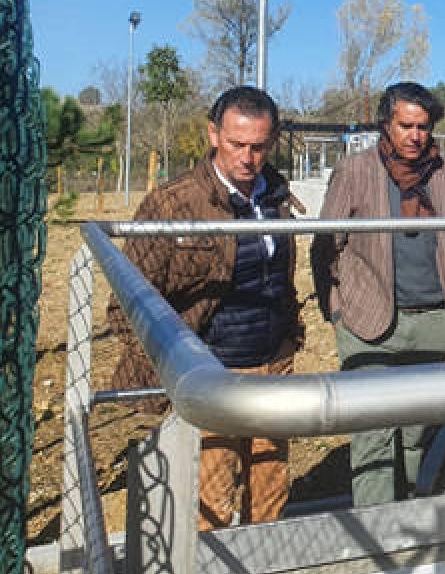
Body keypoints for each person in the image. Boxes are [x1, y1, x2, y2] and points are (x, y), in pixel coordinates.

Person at [107, 86, 304, 531]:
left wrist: (291, 337)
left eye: (259, 147)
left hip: (273, 364)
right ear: (213, 134)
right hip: (211, 372)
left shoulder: (275, 195)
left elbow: (280, 278)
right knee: (210, 498)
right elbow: (128, 300)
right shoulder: (173, 203)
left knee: (272, 486)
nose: (248, 158)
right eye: (237, 144)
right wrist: (174, 366)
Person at [310, 82, 445, 507]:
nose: (415, 135)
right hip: (369, 322)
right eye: (405, 125)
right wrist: (337, 308)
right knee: (373, 434)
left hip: (433, 321)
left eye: (422, 126)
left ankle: (408, 512)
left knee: (416, 430)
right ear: (387, 124)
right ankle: (376, 535)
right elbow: (325, 243)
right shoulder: (355, 170)